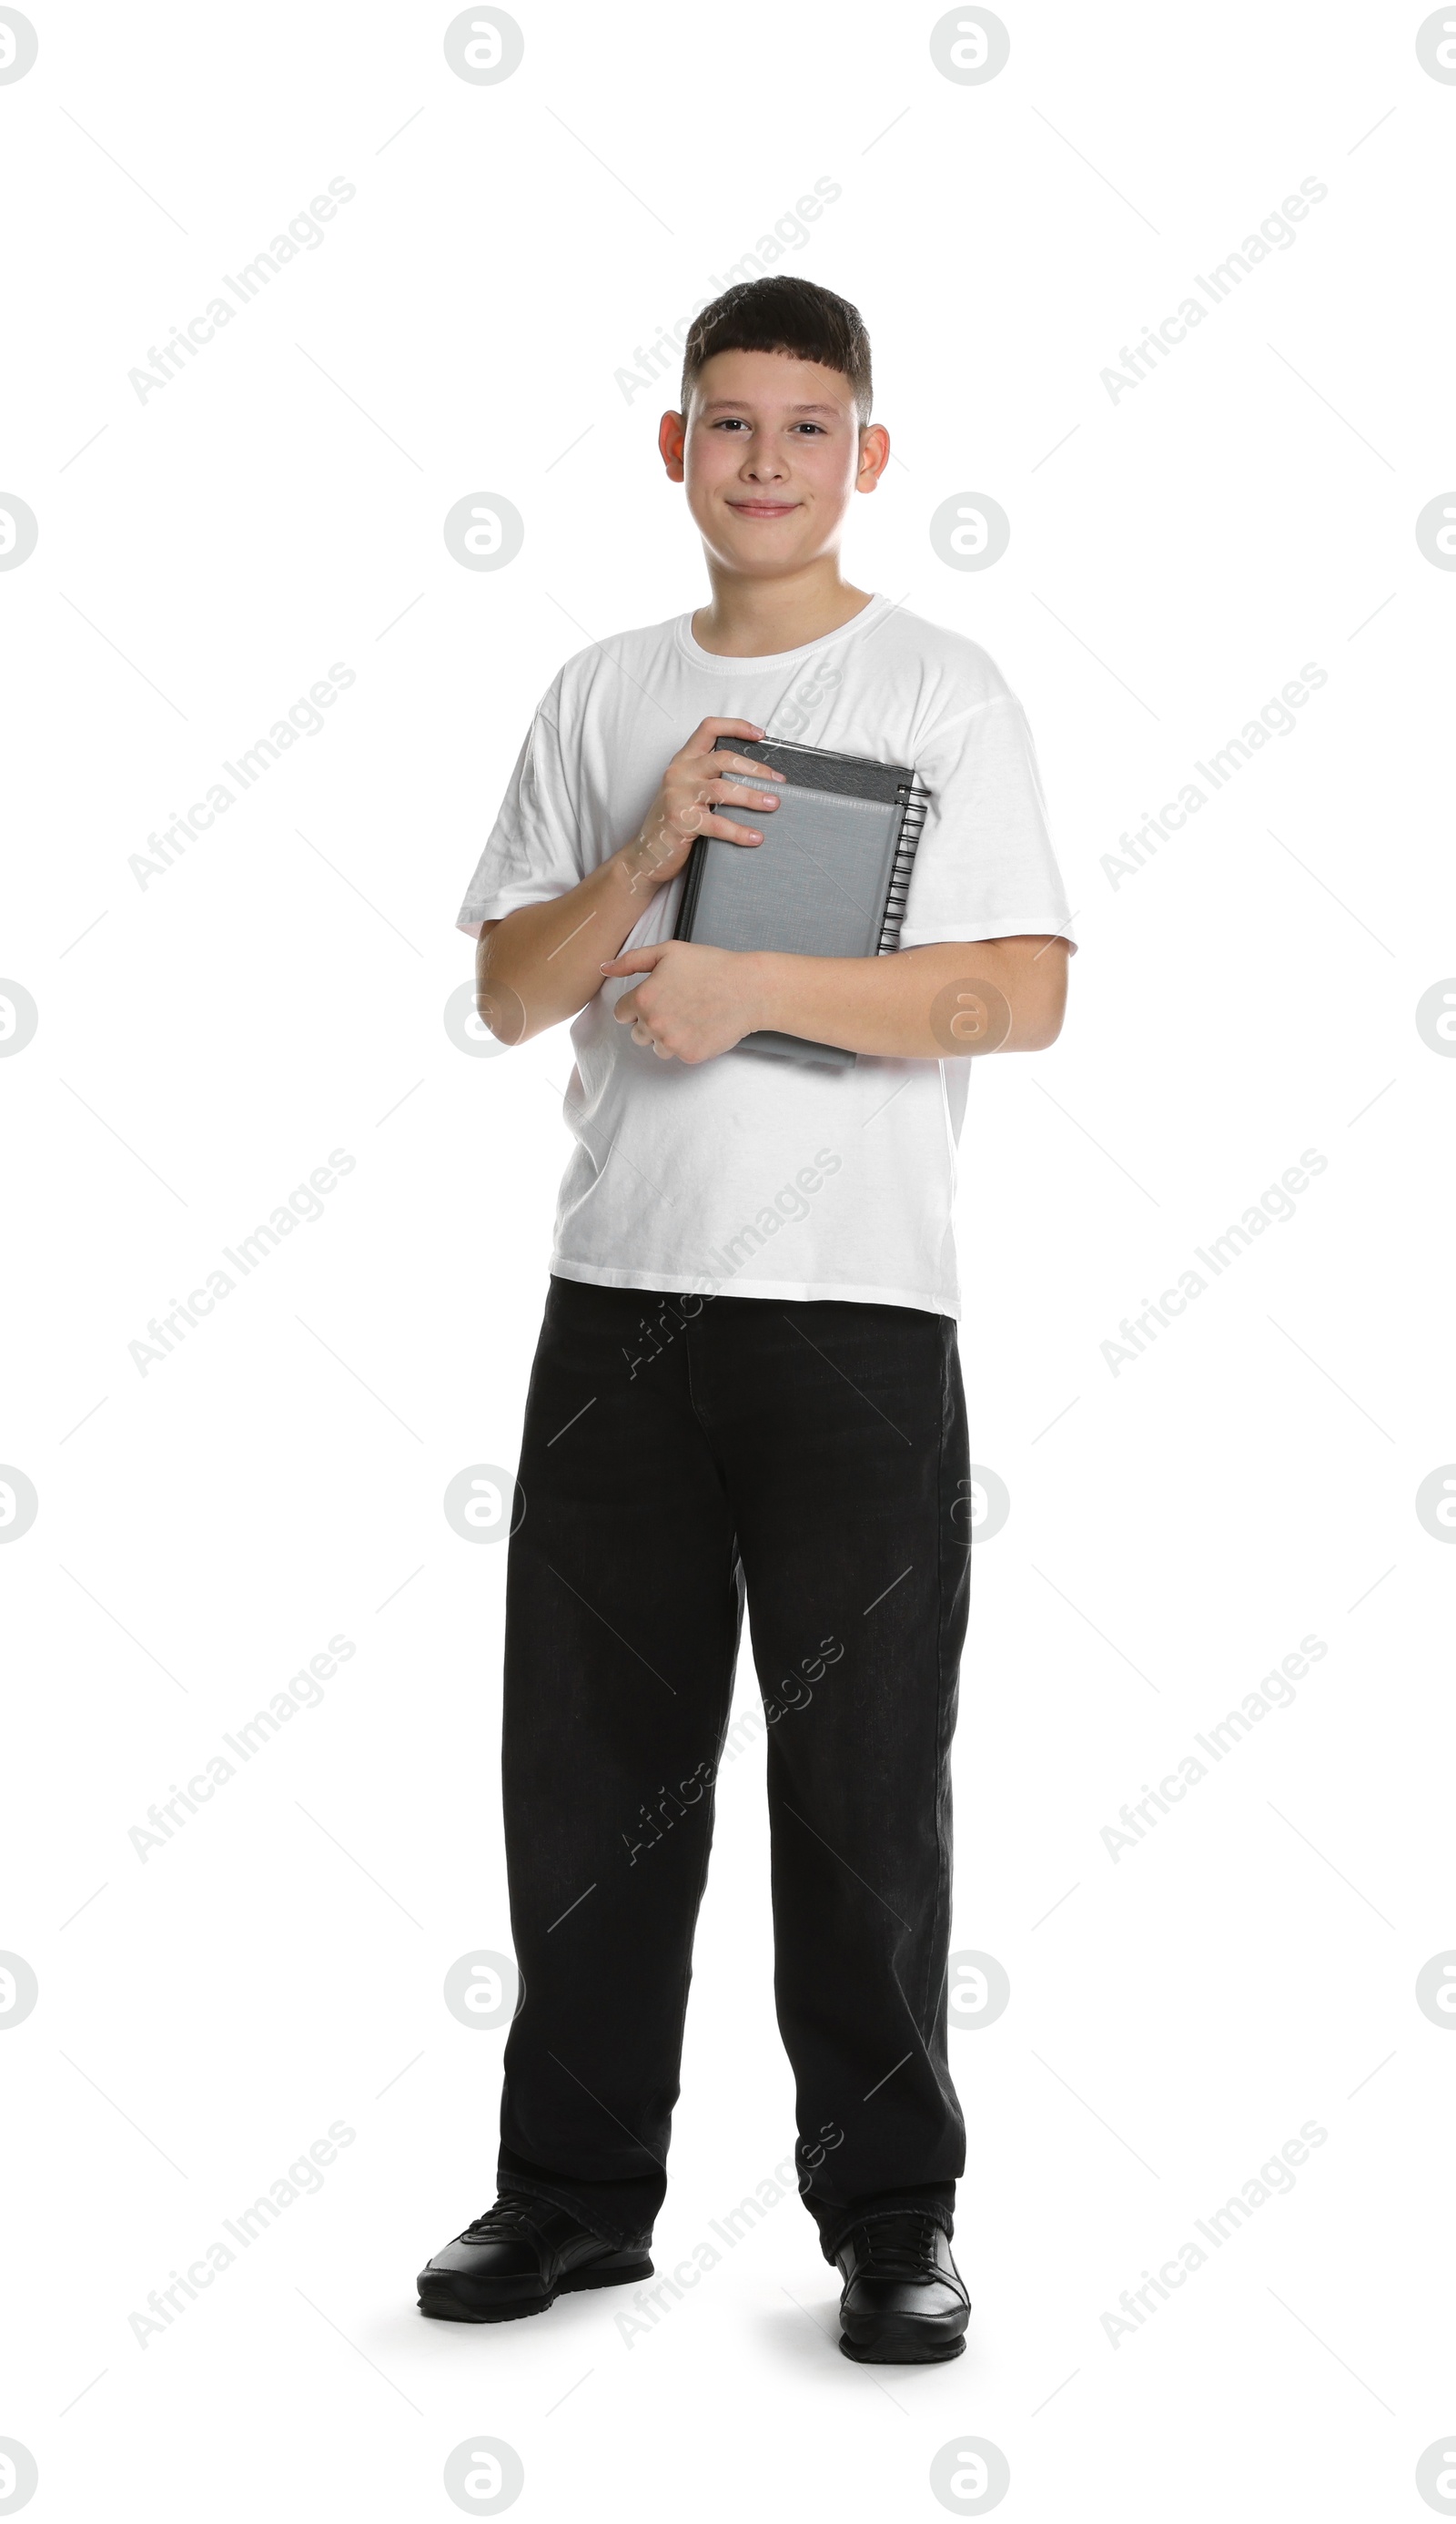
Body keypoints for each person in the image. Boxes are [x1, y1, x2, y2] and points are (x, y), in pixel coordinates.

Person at [417, 274, 1075, 2363]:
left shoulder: (940, 690)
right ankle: (569, 2197)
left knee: (863, 1782)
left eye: (806, 427)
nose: (764, 461)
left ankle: (891, 2213)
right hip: (617, 1307)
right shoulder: (605, 688)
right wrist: (645, 856)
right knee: (589, 1773)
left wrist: (755, 986)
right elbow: (512, 994)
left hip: (854, 1317)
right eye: (728, 424)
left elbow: (1023, 994)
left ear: (864, 456)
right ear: (674, 448)